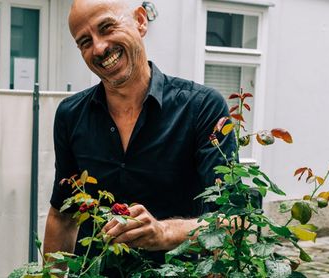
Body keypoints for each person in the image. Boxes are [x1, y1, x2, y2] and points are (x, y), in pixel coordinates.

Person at [43, 0, 236, 275]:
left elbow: (229, 222)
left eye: (107, 27)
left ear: (141, 21)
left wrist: (163, 232)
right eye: (85, 42)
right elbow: (63, 216)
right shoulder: (69, 115)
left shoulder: (201, 108)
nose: (99, 48)